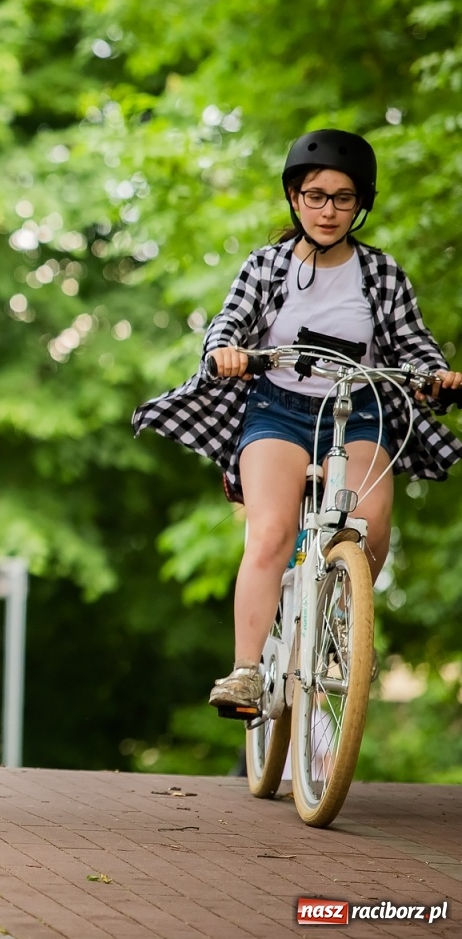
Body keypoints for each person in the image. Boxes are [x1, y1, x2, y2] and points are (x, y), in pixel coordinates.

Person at [132, 130, 462, 710]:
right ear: (294, 198)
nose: (328, 210)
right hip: (277, 410)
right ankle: (245, 671)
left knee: (370, 524)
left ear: (361, 205)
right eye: (315, 195)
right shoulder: (267, 265)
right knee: (270, 533)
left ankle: (345, 621)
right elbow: (227, 323)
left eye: (342, 197)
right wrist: (225, 352)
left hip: (358, 411)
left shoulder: (380, 274)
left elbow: (415, 345)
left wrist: (436, 377)